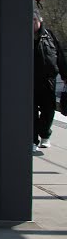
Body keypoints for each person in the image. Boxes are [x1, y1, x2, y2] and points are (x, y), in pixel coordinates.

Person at [33, 10, 67, 151]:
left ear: (40, 20)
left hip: (48, 80)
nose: (32, 23)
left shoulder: (50, 35)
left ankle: (45, 135)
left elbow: (59, 56)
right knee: (30, 112)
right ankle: (32, 140)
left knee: (49, 110)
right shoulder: (21, 36)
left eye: (34, 20)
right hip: (28, 80)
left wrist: (65, 75)